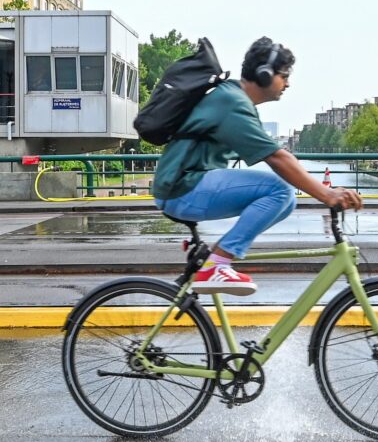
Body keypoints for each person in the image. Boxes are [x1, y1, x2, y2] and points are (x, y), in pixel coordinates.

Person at [153, 37, 363, 295]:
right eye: (284, 75)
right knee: (279, 191)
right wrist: (327, 194)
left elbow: (278, 156)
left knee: (287, 201)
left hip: (185, 186)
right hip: (183, 187)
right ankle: (216, 265)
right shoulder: (232, 103)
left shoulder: (233, 99)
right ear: (264, 75)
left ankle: (215, 263)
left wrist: (321, 193)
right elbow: (277, 158)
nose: (288, 83)